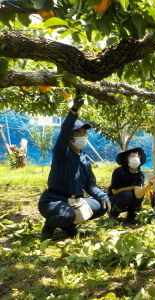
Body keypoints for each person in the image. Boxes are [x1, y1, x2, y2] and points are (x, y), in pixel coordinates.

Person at [38, 91, 111, 241]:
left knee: (102, 205)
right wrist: (73, 111)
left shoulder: (84, 159)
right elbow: (63, 133)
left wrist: (103, 196)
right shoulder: (62, 152)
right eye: (79, 133)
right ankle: (49, 227)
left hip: (76, 201)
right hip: (54, 200)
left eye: (85, 133)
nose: (84, 136)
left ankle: (68, 225)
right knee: (65, 214)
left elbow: (89, 184)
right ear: (70, 138)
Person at [107, 147, 155, 223]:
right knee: (128, 194)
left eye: (138, 157)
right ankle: (113, 214)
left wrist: (149, 184)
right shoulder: (118, 171)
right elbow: (115, 191)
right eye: (132, 156)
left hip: (130, 198)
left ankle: (131, 215)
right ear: (126, 159)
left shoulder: (139, 174)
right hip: (114, 199)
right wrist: (131, 187)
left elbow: (138, 194)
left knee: (139, 194)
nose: (136, 158)